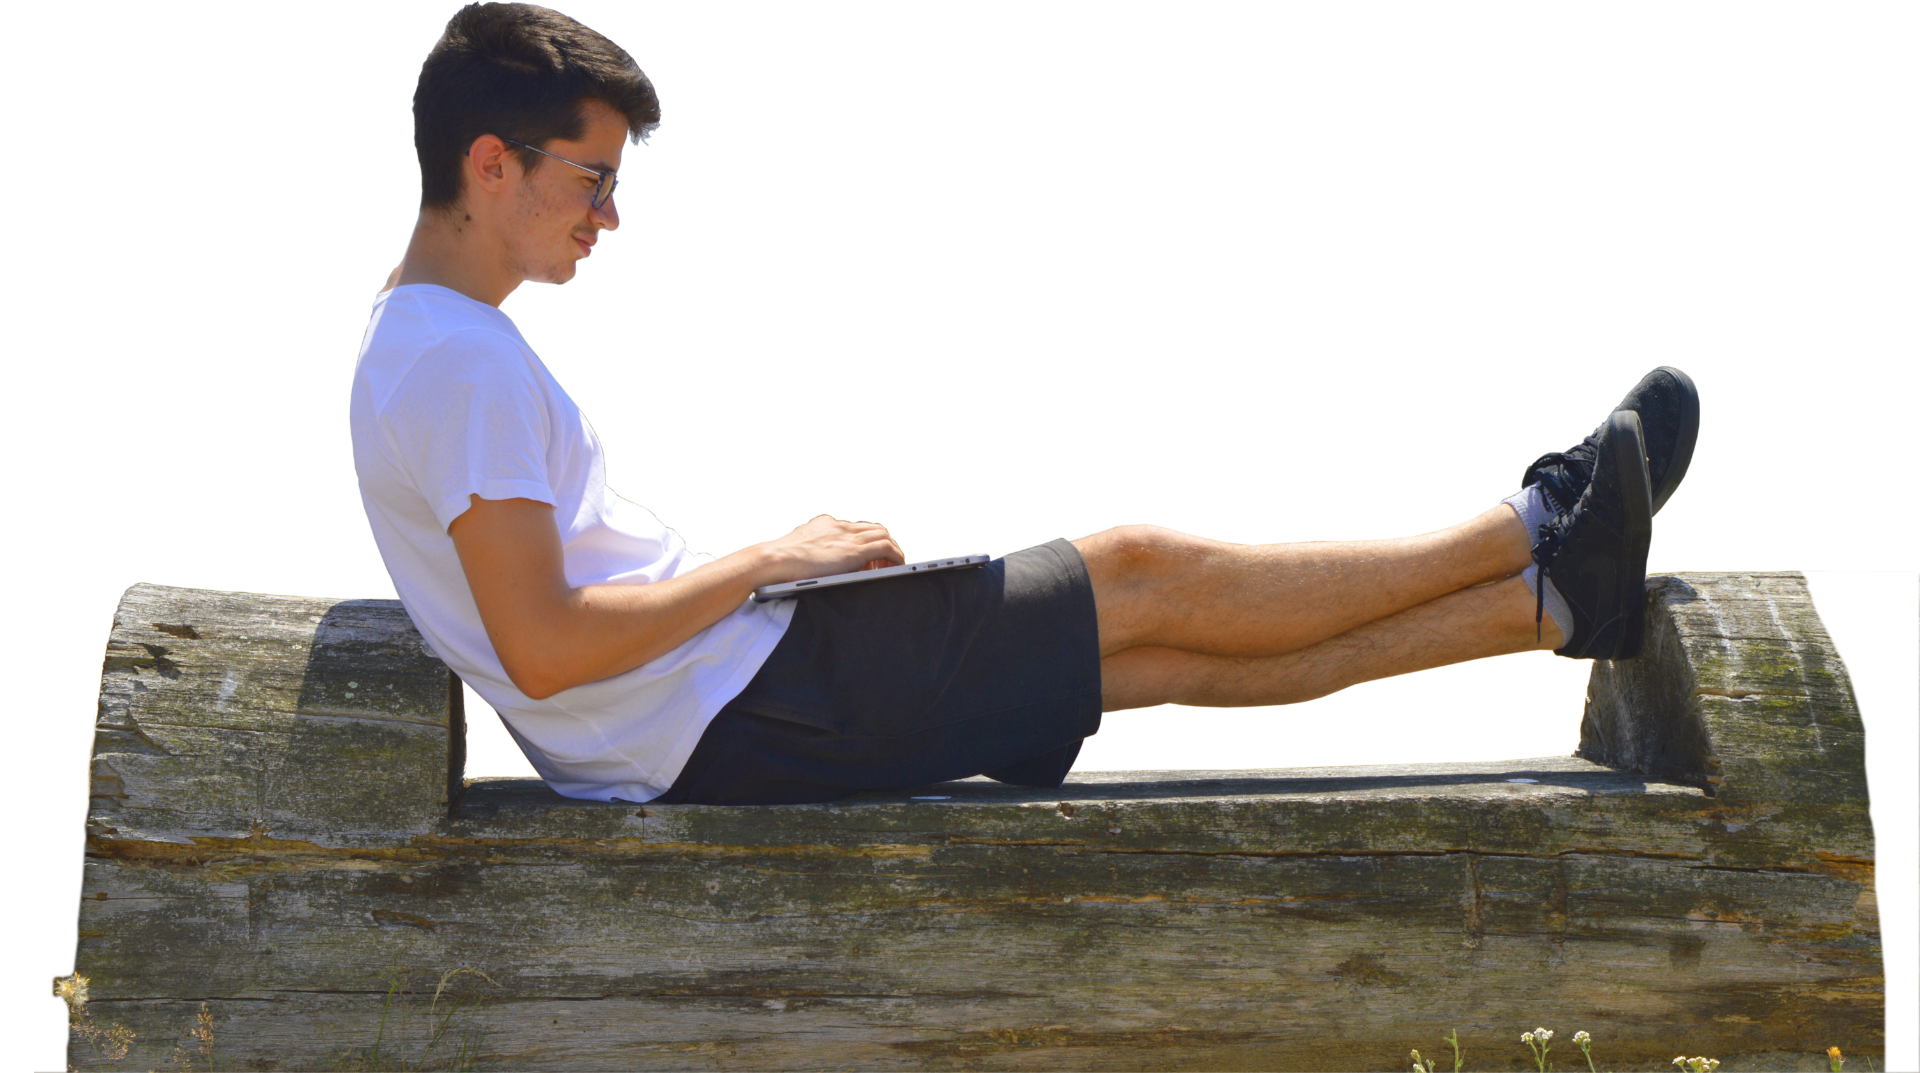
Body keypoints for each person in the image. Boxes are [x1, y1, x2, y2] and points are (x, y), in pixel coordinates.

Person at [351, 2, 1703, 806]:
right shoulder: (458, 362)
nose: (611, 213)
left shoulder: (417, 346)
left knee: (1153, 659)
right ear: (491, 161)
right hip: (743, 702)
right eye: (591, 179)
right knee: (1144, 569)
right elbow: (543, 646)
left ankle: (1547, 608)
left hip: (718, 721)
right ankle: (1536, 524)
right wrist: (776, 561)